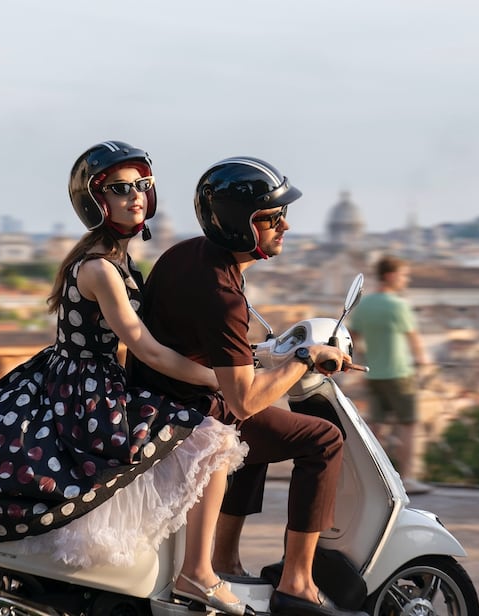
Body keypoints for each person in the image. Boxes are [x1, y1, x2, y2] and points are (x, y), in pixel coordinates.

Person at [0, 141, 252, 616]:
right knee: (212, 440)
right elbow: (146, 347)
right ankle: (198, 573)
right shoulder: (100, 268)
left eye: (142, 186)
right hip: (88, 391)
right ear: (97, 201)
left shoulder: (113, 259)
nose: (135, 196)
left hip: (81, 381)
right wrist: (219, 379)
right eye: (120, 189)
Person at [131, 156, 368, 616]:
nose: (286, 226)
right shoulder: (222, 293)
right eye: (272, 218)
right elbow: (241, 400)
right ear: (242, 226)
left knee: (265, 431)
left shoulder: (187, 254)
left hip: (158, 399)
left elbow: (201, 344)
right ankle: (298, 582)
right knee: (321, 439)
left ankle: (225, 557)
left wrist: (262, 355)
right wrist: (304, 358)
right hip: (185, 414)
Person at [348, 254, 432, 495]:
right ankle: (407, 478)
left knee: (376, 427)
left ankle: (371, 477)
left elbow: (352, 339)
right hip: (399, 373)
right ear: (391, 276)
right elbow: (414, 341)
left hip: (373, 374)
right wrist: (424, 362)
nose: (407, 280)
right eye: (404, 275)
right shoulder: (399, 306)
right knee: (408, 425)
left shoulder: (363, 305)